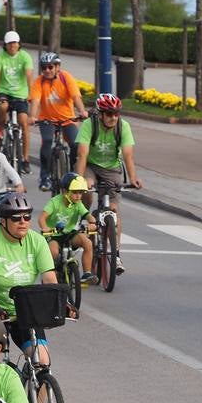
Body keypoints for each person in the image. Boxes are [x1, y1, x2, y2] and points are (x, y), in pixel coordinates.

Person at [0, 193, 58, 363]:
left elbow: (49, 278)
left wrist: (57, 302)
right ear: (3, 220)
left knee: (42, 361)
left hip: (23, 309)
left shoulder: (37, 241)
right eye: (16, 218)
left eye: (27, 216)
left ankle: (37, 384)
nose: (23, 221)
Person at [74, 93, 139, 278]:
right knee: (87, 187)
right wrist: (78, 181)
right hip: (91, 166)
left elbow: (128, 155)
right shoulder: (89, 125)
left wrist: (133, 178)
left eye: (116, 114)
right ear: (100, 114)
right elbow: (82, 155)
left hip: (112, 169)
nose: (113, 117)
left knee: (113, 210)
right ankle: (82, 216)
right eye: (109, 114)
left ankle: (116, 254)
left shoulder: (123, 126)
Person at [31, 52, 87, 192]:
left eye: (50, 67)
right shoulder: (39, 81)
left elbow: (75, 96)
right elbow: (36, 101)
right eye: (44, 68)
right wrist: (32, 116)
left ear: (57, 67)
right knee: (48, 141)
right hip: (47, 120)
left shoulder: (65, 77)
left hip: (68, 119)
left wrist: (82, 111)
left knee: (75, 144)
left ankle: (74, 174)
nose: (47, 70)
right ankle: (45, 178)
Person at [0, 30, 34, 173]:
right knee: (2, 107)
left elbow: (28, 75)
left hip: (21, 94)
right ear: (5, 45)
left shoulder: (25, 56)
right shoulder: (0, 57)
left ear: (19, 44)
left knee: (23, 122)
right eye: (9, 43)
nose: (12, 46)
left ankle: (26, 159)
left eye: (14, 43)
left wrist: (31, 93)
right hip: (4, 91)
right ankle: (0, 133)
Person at [40, 174, 96, 284]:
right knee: (53, 251)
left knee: (87, 243)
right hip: (54, 235)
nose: (78, 196)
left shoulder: (78, 204)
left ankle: (87, 273)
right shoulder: (54, 202)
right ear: (65, 192)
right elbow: (42, 217)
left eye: (80, 193)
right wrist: (45, 228)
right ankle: (51, 271)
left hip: (69, 234)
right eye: (75, 192)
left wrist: (92, 221)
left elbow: (86, 214)